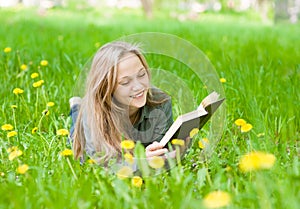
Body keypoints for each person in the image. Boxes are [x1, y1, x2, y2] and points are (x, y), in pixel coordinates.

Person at [70, 41, 173, 165]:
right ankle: (76, 107)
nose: (138, 86)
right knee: (75, 130)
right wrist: (141, 163)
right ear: (106, 88)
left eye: (141, 74)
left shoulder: (161, 101)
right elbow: (103, 163)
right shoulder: (94, 112)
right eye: (125, 82)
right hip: (88, 118)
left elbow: (164, 148)